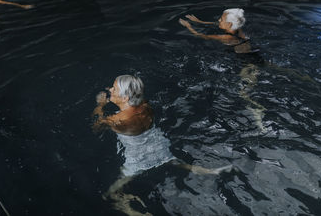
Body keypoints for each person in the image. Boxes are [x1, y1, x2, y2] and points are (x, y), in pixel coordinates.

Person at [93, 75, 232, 216]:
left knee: (110, 194)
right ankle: (210, 172)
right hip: (157, 144)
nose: (110, 89)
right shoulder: (145, 106)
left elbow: (96, 126)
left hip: (138, 156)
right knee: (172, 161)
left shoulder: (117, 120)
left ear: (125, 98)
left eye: (114, 88)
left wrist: (100, 104)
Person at [179, 8, 256, 54]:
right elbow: (216, 23)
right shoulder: (238, 28)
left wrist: (188, 26)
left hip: (246, 63)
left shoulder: (225, 37)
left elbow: (199, 35)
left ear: (229, 24)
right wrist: (200, 22)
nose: (219, 20)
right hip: (252, 52)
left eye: (221, 19)